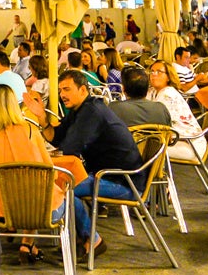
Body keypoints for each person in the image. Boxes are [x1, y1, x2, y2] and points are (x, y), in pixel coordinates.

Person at [35, 70, 145, 258]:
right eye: (61, 90)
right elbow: (58, 138)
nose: (62, 95)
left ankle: (92, 239)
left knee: (63, 191)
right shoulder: (80, 110)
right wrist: (43, 120)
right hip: (107, 174)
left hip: (124, 181)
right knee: (63, 187)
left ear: (83, 90)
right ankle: (84, 238)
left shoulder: (92, 111)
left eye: (67, 89)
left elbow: (69, 149)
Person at [0, 83, 55, 259]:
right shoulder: (30, 129)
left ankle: (22, 239)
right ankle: (27, 243)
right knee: (41, 191)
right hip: (36, 206)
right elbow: (48, 169)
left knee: (20, 191)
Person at [147, 60, 206, 160]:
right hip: (177, 140)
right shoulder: (153, 91)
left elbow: (155, 122)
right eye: (152, 71)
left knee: (144, 147)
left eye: (159, 72)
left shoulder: (168, 95)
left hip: (190, 145)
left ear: (168, 77)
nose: (154, 74)